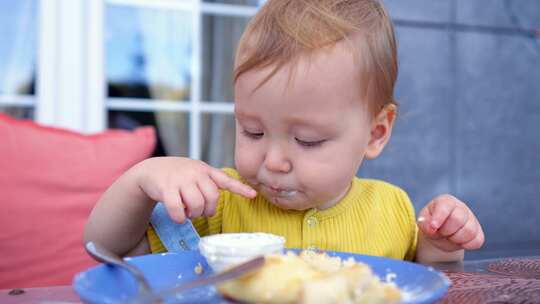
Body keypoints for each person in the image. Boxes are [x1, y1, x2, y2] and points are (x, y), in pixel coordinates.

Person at [84, 0, 484, 264]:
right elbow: (109, 249)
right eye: (253, 131)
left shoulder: (393, 210)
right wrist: (140, 181)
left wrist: (441, 244)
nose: (272, 161)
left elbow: (436, 282)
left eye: (308, 140)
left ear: (375, 133)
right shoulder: (223, 204)